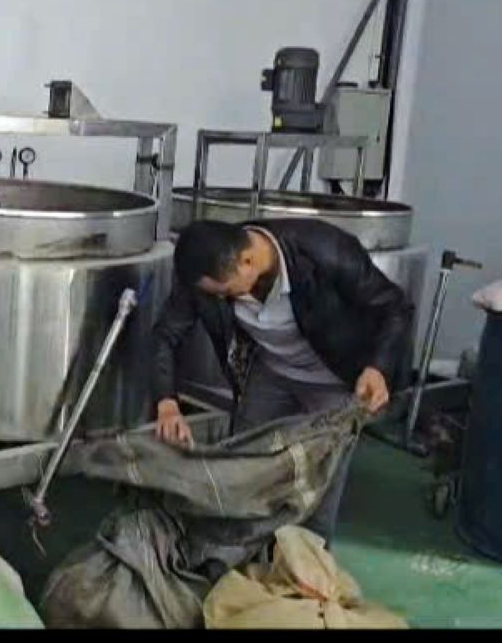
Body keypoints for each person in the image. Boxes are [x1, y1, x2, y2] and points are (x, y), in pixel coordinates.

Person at [151, 218, 413, 543]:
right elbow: (166, 334)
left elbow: (395, 307)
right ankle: (240, 553)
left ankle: (307, 559)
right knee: (244, 467)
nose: (221, 300)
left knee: (317, 487)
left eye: (227, 293)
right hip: (271, 371)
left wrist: (378, 367)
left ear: (247, 262)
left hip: (334, 378)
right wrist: (167, 402)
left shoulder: (325, 250)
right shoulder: (207, 271)